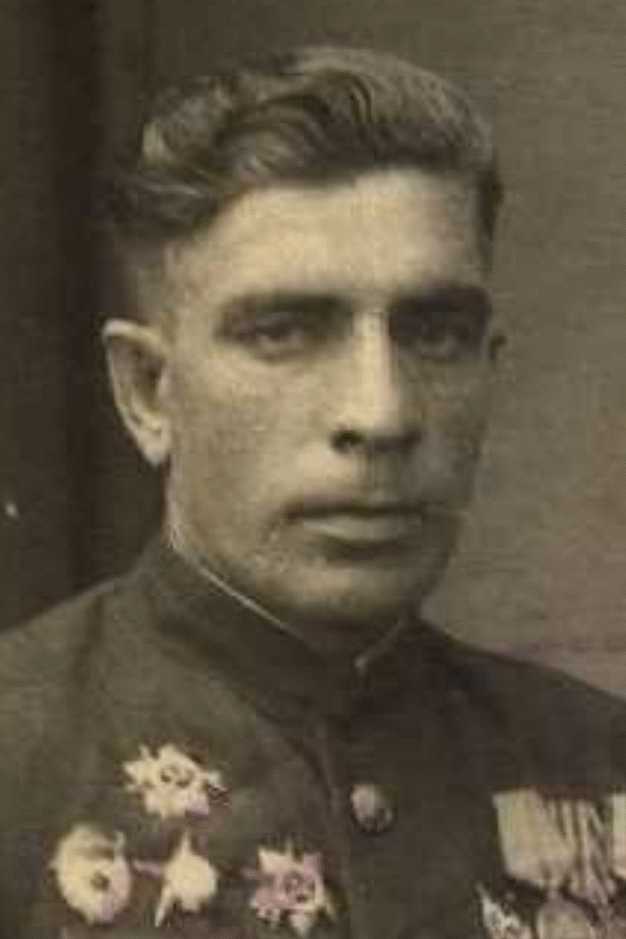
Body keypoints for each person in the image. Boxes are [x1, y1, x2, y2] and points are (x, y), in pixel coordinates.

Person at [0, 45, 623, 939]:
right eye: (284, 331)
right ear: (147, 392)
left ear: (489, 371)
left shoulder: (599, 757)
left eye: (435, 332)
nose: (381, 412)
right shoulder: (19, 759)